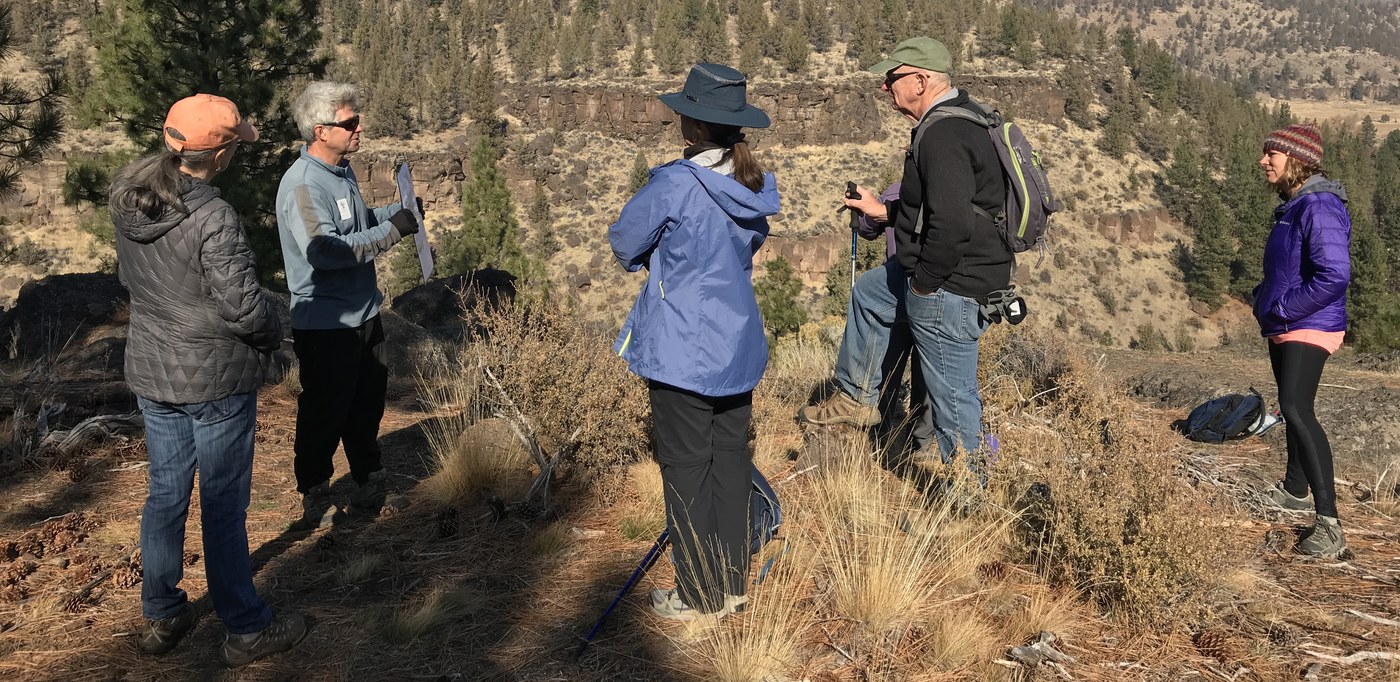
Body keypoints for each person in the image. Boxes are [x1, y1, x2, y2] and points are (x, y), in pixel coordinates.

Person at [110, 94, 306, 666]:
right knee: (222, 505)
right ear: (217, 153)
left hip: (153, 369)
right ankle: (246, 627)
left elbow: (134, 277)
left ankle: (163, 613)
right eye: (233, 143)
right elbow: (244, 310)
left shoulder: (127, 194)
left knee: (165, 494)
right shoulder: (213, 216)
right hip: (215, 380)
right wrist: (280, 331)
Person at [609, 63, 780, 621]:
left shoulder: (675, 186)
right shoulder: (752, 185)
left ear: (693, 124)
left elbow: (625, 242)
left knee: (684, 468)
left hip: (683, 350)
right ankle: (730, 586)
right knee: (729, 462)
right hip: (737, 346)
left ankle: (696, 595)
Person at [800, 36, 1011, 472]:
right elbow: (941, 205)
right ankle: (856, 398)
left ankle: (966, 501)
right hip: (942, 272)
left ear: (920, 80)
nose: (885, 88)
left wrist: (924, 285)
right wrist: (884, 210)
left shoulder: (944, 134)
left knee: (953, 398)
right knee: (871, 295)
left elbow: (951, 224)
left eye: (890, 78)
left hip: (951, 285)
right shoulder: (964, 116)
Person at [275, 81, 421, 528]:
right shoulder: (302, 185)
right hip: (326, 322)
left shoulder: (340, 171)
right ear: (321, 131)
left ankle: (367, 478)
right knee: (324, 409)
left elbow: (355, 224)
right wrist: (392, 232)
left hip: (363, 313)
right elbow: (326, 251)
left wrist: (398, 213)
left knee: (367, 401)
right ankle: (315, 493)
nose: (359, 128)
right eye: (350, 122)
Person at [1253, 123, 1351, 558]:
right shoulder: (1295, 205)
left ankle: (1330, 526)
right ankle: (1295, 489)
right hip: (1288, 320)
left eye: (1271, 154)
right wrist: (1265, 299)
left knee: (1295, 407)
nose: (1263, 161)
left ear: (1294, 159)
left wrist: (1285, 307)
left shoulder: (1319, 205)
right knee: (1290, 406)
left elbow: (1335, 274)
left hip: (1309, 322)